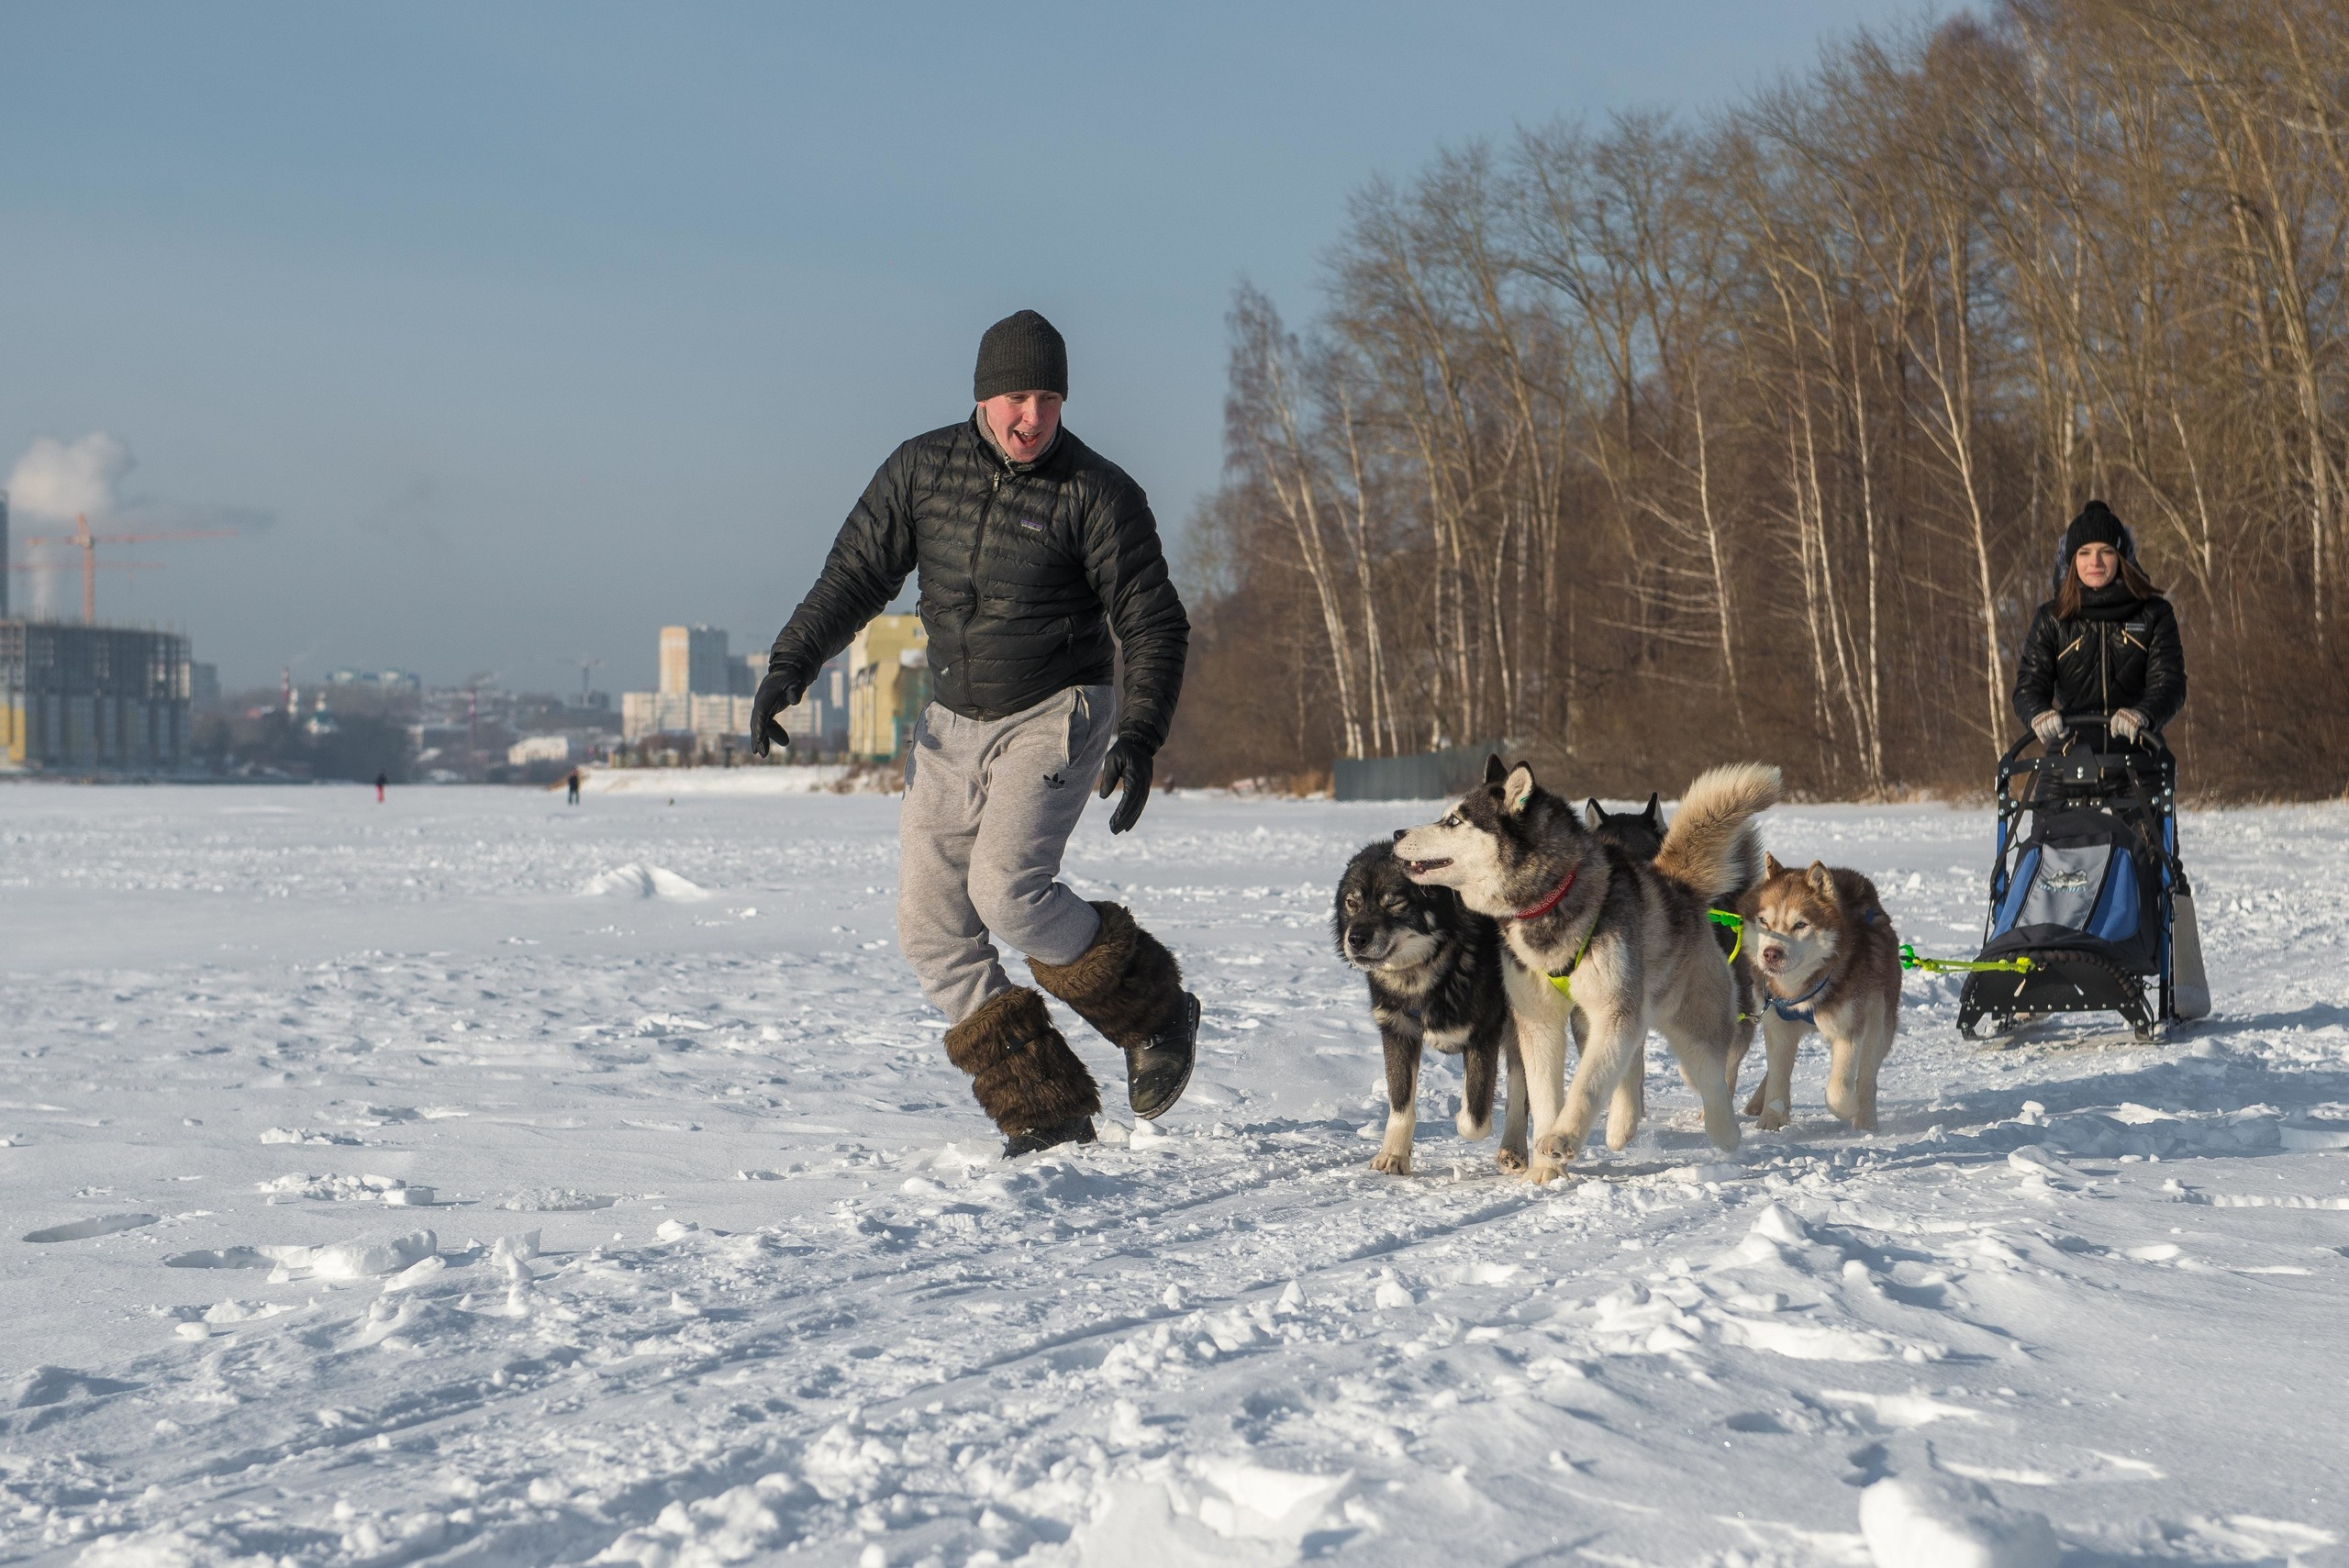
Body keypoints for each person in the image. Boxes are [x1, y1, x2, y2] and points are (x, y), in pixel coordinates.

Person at [752, 310, 1197, 1155]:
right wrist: (790, 666)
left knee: (1007, 891)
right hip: (951, 723)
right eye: (1015, 396)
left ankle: (1154, 1011)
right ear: (984, 396)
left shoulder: (1097, 492)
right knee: (929, 925)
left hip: (1056, 711)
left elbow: (1152, 622)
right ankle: (1045, 1105)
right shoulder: (921, 471)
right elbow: (852, 575)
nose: (1031, 416)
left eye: (1048, 398)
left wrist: (1139, 732)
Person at [2012, 500, 2186, 749]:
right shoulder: (2052, 618)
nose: (2095, 562)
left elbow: (2169, 682)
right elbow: (2028, 686)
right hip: (2068, 759)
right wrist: (2038, 713)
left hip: (2138, 758)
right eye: (2084, 553)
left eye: (2105, 551)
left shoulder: (2154, 614)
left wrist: (2143, 713)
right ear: (2071, 561)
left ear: (2121, 558)